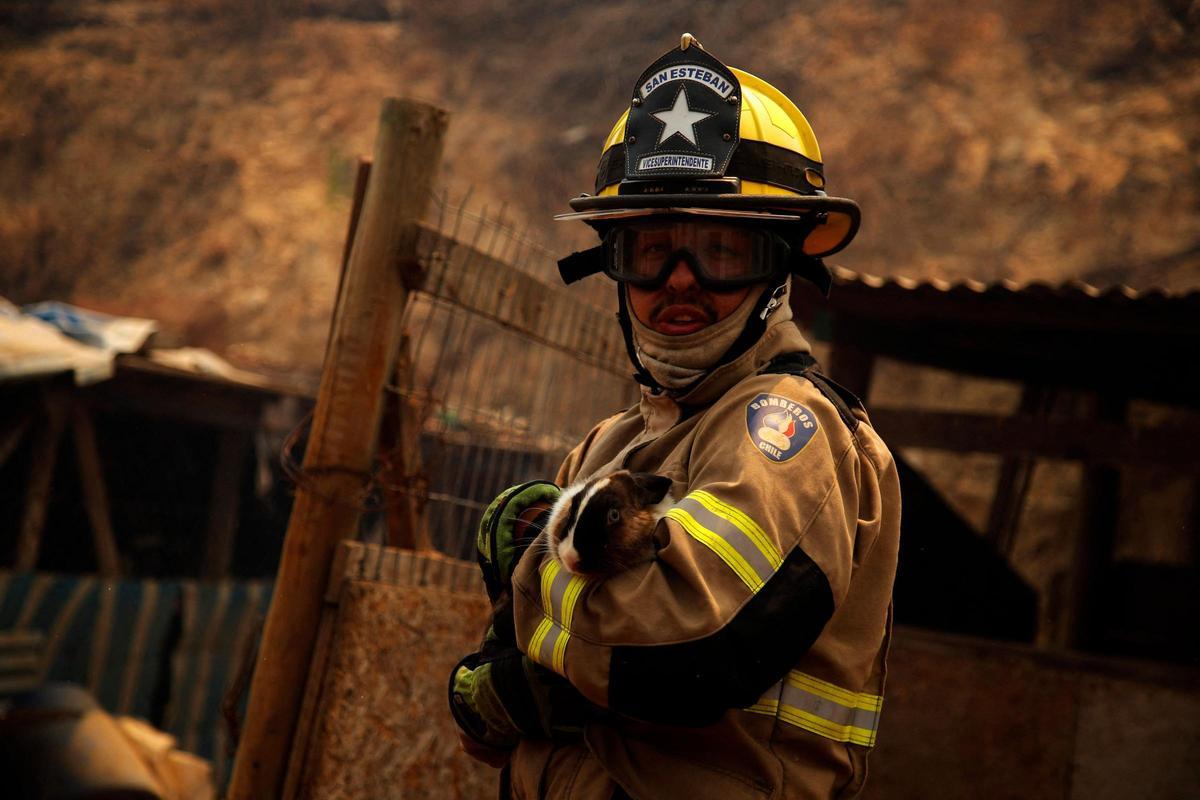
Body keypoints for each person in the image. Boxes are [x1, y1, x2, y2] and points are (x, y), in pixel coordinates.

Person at [450, 34, 900, 800]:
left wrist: (531, 570)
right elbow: (514, 701)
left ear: (781, 267)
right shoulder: (611, 443)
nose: (679, 283)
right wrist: (507, 693)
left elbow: (683, 651)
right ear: (613, 265)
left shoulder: (788, 427)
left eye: (721, 251)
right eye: (649, 250)